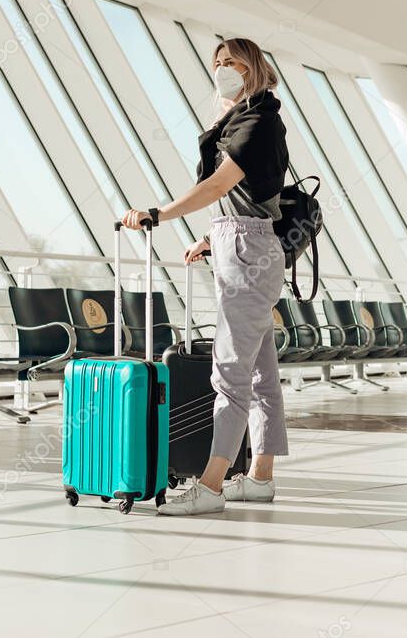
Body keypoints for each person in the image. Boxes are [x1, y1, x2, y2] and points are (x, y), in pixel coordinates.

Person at [120, 38, 289, 516]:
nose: (222, 70)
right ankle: (259, 478)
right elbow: (250, 199)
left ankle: (211, 486)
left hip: (248, 251)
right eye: (216, 64)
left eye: (231, 62)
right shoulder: (249, 118)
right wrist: (211, 239)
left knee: (230, 373)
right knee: (260, 375)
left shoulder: (257, 122)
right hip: (244, 244)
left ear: (253, 66)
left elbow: (218, 185)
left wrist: (160, 213)